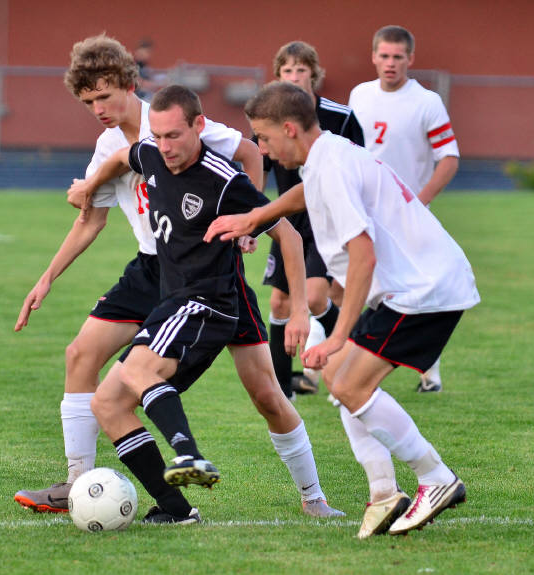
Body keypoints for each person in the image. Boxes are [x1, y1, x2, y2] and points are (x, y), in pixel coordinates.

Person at [14, 35, 342, 520]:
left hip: (210, 280)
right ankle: (99, 486)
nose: (98, 109)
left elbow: (256, 164)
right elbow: (113, 179)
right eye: (88, 102)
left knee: (266, 394)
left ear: (130, 86)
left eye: (104, 96)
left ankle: (309, 498)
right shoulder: (135, 147)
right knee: (92, 371)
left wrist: (248, 225)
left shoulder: (188, 137)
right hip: (157, 271)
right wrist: (86, 194)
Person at [204, 81, 480, 537]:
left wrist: (336, 335)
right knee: (338, 378)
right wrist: (255, 217)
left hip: (422, 289)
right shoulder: (327, 152)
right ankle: (383, 492)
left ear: (289, 129)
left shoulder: (329, 165)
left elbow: (363, 255)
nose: (261, 149)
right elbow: (306, 193)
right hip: (419, 283)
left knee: (349, 381)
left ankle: (435, 478)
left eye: (264, 138)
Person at [348, 25, 461, 393]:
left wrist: (419, 202)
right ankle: (344, 367)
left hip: (409, 219)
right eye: (384, 55)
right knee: (361, 286)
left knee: (416, 290)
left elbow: (449, 158)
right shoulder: (360, 95)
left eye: (398, 56)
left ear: (411, 59)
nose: (390, 63)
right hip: (367, 212)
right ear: (373, 57)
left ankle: (428, 369)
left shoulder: (426, 101)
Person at [261, 41, 364, 400]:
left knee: (317, 298)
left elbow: (360, 166)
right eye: (287, 70)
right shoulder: (269, 117)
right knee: (279, 303)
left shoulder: (340, 117)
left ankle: (354, 359)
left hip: (326, 220)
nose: (294, 77)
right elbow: (258, 167)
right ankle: (281, 390)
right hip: (287, 221)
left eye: (300, 70)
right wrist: (252, 221)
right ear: (278, 76)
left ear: (314, 74)